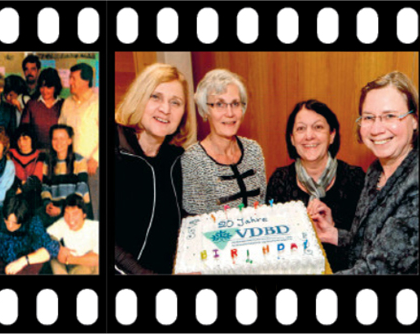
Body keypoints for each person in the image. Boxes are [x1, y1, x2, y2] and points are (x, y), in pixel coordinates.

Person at [308, 71, 420, 275]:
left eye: (390, 116)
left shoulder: (417, 184)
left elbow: (375, 270)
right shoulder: (375, 170)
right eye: (369, 117)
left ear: (414, 120)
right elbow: (368, 244)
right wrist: (333, 234)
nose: (377, 128)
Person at [113, 63, 196, 274]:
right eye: (156, 97)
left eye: (175, 102)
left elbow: (177, 223)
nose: (165, 109)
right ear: (139, 98)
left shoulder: (175, 160)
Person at [266, 99, 365, 272]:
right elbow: (272, 245)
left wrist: (333, 229)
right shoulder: (279, 180)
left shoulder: (356, 179)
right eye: (300, 128)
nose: (309, 135)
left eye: (318, 127)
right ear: (292, 138)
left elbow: (367, 245)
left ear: (332, 135)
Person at [182, 69, 265, 215]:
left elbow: (263, 207)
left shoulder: (254, 150)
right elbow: (195, 223)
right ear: (205, 110)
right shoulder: (193, 160)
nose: (230, 113)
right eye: (219, 104)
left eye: (235, 104)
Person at [0, 194, 60, 275]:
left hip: (21, 267)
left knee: (39, 257)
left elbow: (53, 247)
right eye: (7, 221)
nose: (10, 226)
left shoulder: (33, 221)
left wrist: (22, 261)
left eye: (14, 223)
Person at [58, 63, 99, 219]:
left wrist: (96, 158)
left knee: (95, 207)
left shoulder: (97, 103)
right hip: (70, 165)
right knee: (73, 209)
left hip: (92, 166)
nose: (70, 83)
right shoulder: (67, 103)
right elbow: (61, 131)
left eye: (74, 79)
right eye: (70, 78)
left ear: (86, 81)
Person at [40, 125, 90, 228]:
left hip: (76, 209)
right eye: (55, 139)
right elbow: (45, 187)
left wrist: (62, 209)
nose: (58, 142)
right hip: (54, 208)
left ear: (69, 141)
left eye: (62, 138)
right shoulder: (48, 162)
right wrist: (47, 204)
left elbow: (82, 188)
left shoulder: (79, 160)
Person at [47, 194, 99, 275]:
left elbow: (97, 260)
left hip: (90, 265)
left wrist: (68, 259)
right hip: (72, 266)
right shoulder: (63, 223)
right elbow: (46, 235)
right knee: (53, 257)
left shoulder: (95, 227)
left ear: (84, 214)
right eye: (67, 213)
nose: (70, 219)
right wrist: (58, 246)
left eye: (75, 214)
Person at [21, 68, 64, 149]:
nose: (44, 91)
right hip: (36, 152)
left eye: (48, 87)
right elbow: (24, 130)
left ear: (55, 87)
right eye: (42, 87)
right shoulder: (32, 104)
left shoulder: (63, 104)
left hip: (58, 150)